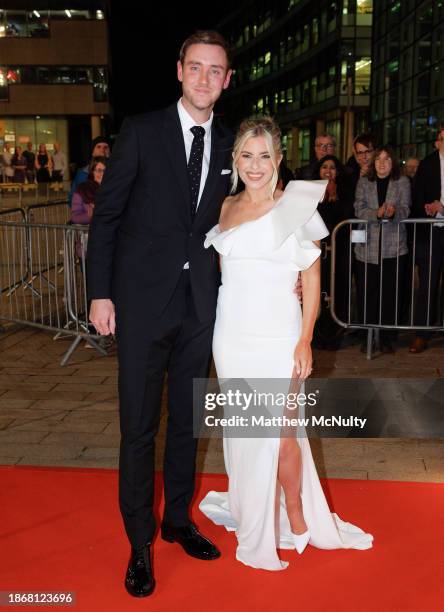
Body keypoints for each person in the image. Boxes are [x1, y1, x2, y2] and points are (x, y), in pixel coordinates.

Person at [87, 31, 233, 598]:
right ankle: (140, 541)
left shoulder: (229, 144)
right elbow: (108, 217)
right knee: (139, 428)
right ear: (179, 71)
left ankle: (177, 520)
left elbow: (242, 216)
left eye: (214, 70)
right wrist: (101, 293)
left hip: (200, 306)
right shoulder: (143, 131)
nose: (203, 79)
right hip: (142, 305)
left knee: (188, 426)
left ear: (226, 79)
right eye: (194, 68)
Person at [200, 117, 373, 571]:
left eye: (264, 156)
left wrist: (305, 338)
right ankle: (251, 507)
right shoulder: (224, 207)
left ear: (278, 160)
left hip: (280, 332)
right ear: (235, 159)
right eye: (246, 155)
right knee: (243, 429)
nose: (255, 165)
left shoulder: (296, 206)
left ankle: (296, 510)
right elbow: (225, 273)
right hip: (232, 332)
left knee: (282, 432)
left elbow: (312, 276)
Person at [354, 146, 411, 353]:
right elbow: (358, 208)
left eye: (387, 159)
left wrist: (394, 212)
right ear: (373, 162)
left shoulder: (402, 181)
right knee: (367, 294)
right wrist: (376, 214)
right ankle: (367, 335)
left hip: (394, 247)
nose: (382, 163)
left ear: (393, 162)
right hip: (367, 248)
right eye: (378, 158)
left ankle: (387, 338)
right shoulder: (363, 182)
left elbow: (406, 208)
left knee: (390, 294)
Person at [312, 155, 354, 349]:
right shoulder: (310, 193)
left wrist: (335, 197)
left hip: (339, 253)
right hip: (317, 253)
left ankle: (335, 335)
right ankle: (317, 335)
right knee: (318, 292)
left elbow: (346, 221)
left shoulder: (345, 192)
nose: (328, 171)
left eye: (333, 168)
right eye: (324, 168)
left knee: (338, 291)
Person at [409, 126, 444, 353]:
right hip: (432, 232)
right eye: (443, 138)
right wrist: (429, 208)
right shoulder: (427, 164)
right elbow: (417, 195)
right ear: (436, 142)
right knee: (427, 284)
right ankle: (422, 334)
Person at [69, 136, 110, 205]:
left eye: (105, 147)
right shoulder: (82, 173)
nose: (102, 150)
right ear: (92, 152)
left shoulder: (116, 172)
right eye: (98, 147)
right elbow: (73, 199)